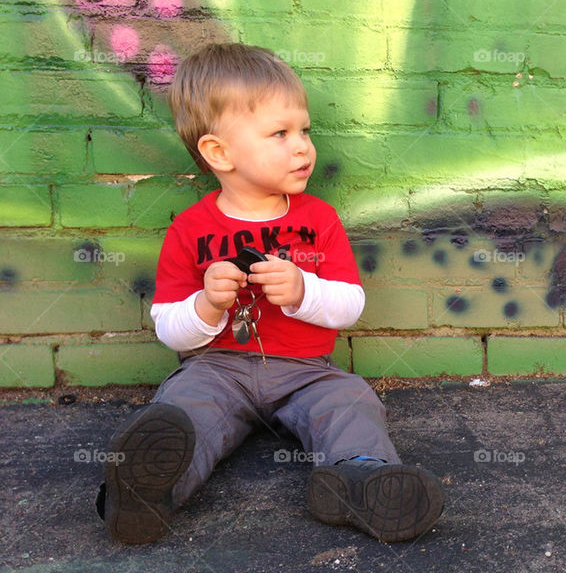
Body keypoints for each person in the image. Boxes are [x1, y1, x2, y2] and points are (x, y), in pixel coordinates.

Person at [96, 43, 444, 545]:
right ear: (219, 152)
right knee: (183, 409)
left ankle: (360, 479)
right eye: (280, 134)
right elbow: (169, 327)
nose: (302, 146)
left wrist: (304, 291)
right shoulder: (190, 230)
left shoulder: (317, 220)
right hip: (218, 369)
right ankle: (145, 496)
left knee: (350, 399)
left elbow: (349, 305)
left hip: (306, 372)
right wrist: (207, 304)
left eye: (304, 130)